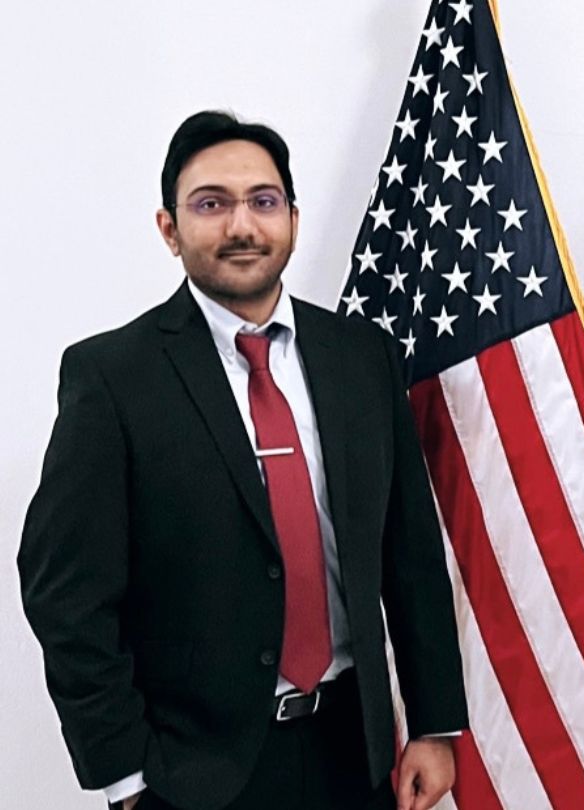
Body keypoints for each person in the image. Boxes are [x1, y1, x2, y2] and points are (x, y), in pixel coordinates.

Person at [18, 110, 468, 810]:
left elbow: (408, 552)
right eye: (210, 204)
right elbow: (66, 594)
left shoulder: (362, 358)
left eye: (263, 201)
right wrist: (125, 774)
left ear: (290, 215)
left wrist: (435, 724)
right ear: (169, 229)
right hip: (192, 774)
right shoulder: (113, 377)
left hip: (356, 755)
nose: (241, 226)